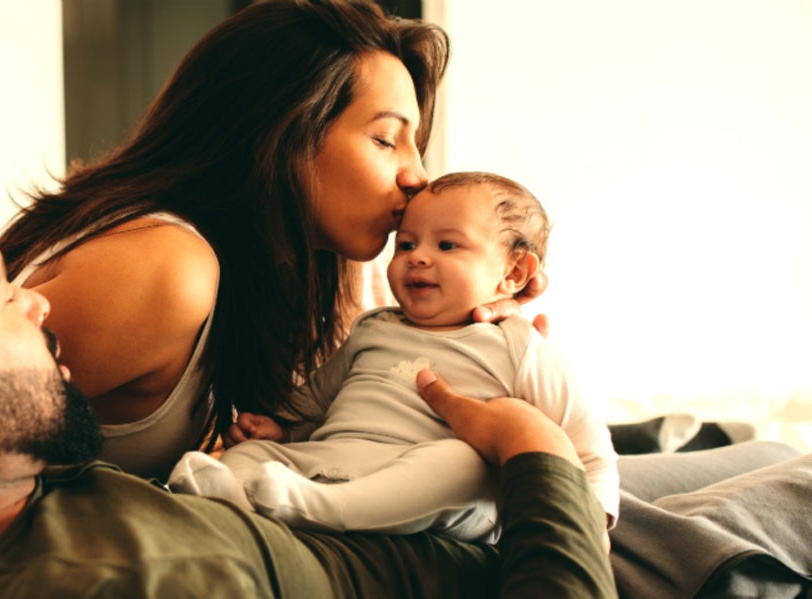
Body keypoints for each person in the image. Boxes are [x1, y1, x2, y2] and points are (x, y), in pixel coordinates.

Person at [0, 194, 616, 597]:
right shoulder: (127, 586)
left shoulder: (15, 488)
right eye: (2, 296)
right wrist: (528, 445)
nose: (37, 299)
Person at [0, 0, 547, 481]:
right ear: (279, 133)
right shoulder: (164, 267)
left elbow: (321, 448)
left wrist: (460, 337)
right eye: (386, 139)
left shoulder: (289, 274)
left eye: (416, 145)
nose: (418, 176)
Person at [167, 171, 617, 544]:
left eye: (446, 246)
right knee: (258, 453)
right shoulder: (374, 326)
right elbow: (317, 399)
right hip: (330, 461)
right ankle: (233, 496)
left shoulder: (517, 346)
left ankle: (320, 509)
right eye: (405, 245)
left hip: (428, 492)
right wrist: (280, 426)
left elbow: (587, 445)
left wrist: (591, 522)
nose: (417, 258)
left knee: (463, 464)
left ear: (514, 272)